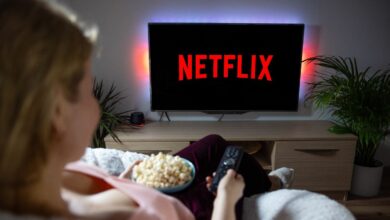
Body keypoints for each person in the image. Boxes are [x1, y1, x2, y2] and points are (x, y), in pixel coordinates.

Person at [0, 0, 293, 219]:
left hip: (148, 189)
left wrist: (128, 179)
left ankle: (270, 180)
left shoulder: (43, 173)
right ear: (58, 113)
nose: (99, 107)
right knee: (228, 170)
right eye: (89, 92)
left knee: (215, 144)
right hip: (185, 209)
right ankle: (274, 182)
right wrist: (226, 201)